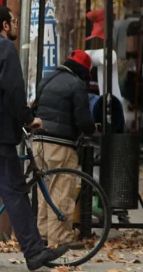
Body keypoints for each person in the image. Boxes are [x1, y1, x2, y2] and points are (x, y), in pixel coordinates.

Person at [0, 5, 68, 271]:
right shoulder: (5, 49)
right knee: (15, 191)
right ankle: (34, 252)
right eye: (14, 21)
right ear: (6, 25)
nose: (16, 26)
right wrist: (27, 118)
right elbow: (13, 88)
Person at [33, 50, 96, 248]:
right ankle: (60, 239)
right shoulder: (76, 85)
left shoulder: (46, 79)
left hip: (38, 143)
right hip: (60, 145)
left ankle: (43, 234)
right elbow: (84, 120)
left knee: (44, 190)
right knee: (61, 191)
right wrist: (92, 130)